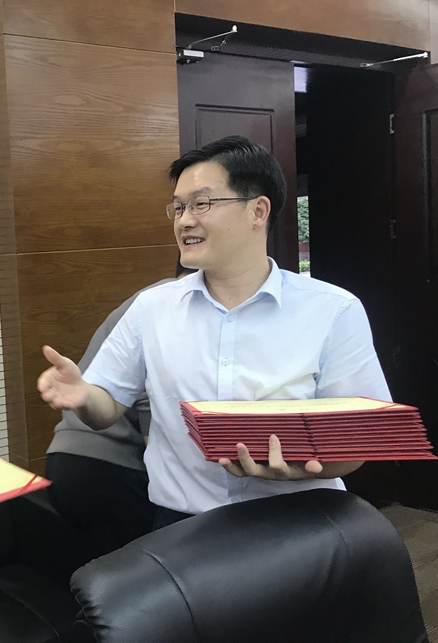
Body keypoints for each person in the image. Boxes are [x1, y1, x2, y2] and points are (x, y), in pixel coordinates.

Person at [38, 135, 391, 530]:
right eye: (178, 207)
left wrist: (305, 468)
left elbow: (359, 441)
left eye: (201, 204)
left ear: (258, 211)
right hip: (183, 527)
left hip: (301, 522)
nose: (184, 220)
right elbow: (106, 410)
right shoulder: (151, 308)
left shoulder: (333, 309)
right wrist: (83, 395)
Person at [45, 260, 195, 554]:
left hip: (66, 458)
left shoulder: (149, 296)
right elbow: (152, 411)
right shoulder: (170, 304)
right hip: (110, 467)